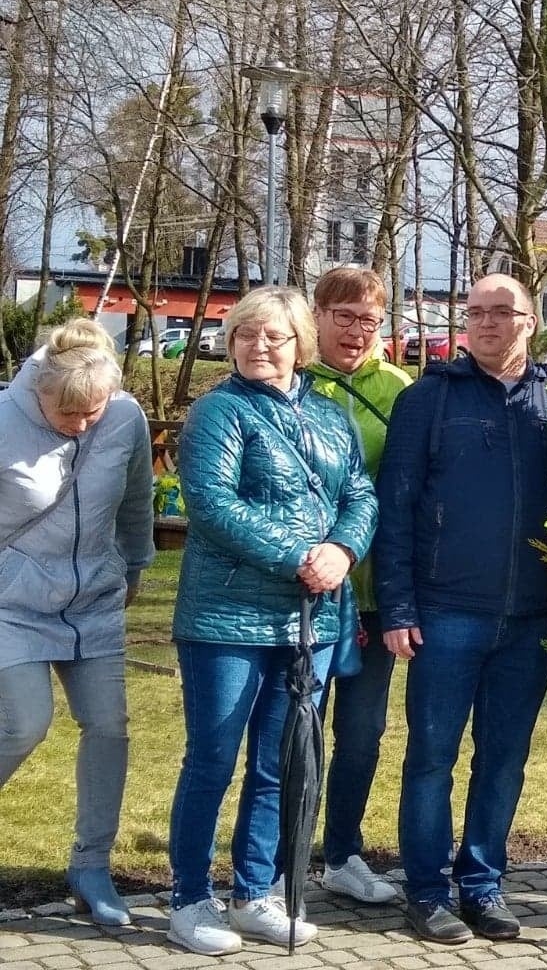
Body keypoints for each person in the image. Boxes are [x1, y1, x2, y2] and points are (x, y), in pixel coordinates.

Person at [166, 287, 377, 956]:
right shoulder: (219, 412)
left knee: (280, 766)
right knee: (213, 758)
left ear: (299, 345)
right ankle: (189, 896)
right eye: (247, 335)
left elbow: (360, 494)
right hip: (227, 617)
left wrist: (342, 550)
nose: (261, 347)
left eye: (275, 336)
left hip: (311, 623)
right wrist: (296, 557)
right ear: (231, 343)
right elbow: (213, 505)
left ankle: (257, 888)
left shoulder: (329, 416)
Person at [375, 274, 547, 945]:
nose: (485, 323)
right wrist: (397, 605)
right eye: (474, 312)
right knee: (431, 756)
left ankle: (482, 885)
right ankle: (425, 892)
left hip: (528, 620)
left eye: (500, 312)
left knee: (504, 758)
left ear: (530, 320)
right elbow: (394, 508)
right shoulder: (431, 398)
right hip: (445, 611)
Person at [0, 320, 154, 927]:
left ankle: (91, 866)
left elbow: (137, 499)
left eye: (94, 411)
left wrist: (135, 563)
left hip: (94, 599)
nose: (82, 424)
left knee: (110, 727)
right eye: (68, 413)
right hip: (11, 602)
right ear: (39, 387)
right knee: (25, 723)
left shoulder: (126, 417)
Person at [307, 268, 413, 905]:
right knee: (298, 727)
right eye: (342, 316)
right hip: (305, 593)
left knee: (364, 730)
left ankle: (343, 851)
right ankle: (283, 855)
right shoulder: (295, 384)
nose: (354, 331)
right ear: (316, 316)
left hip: (372, 595)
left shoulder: (399, 389)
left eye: (368, 320)